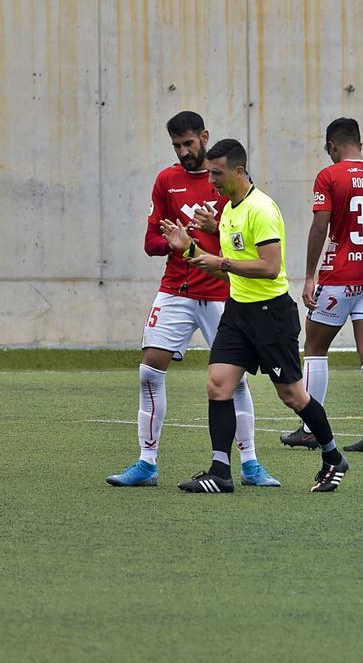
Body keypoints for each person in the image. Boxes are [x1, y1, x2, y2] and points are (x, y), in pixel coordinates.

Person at [160, 138, 349, 493]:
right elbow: (229, 273)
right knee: (218, 385)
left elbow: (269, 267)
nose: (211, 180)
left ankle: (333, 456)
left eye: (217, 173)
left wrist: (220, 259)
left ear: (239, 171)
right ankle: (220, 471)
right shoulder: (229, 209)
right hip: (237, 312)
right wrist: (191, 250)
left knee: (293, 396)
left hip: (270, 315)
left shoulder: (260, 209)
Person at [107, 111, 278, 488]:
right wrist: (172, 240)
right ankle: (146, 463)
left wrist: (212, 229)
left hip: (221, 292)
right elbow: (151, 242)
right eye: (177, 146)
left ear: (204, 137)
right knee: (149, 371)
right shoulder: (167, 181)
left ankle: (250, 463)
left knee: (234, 381)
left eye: (188, 143)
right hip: (176, 291)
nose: (184, 152)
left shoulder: (230, 182)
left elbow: (245, 242)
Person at [280, 118, 363, 453]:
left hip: (339, 277)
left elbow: (320, 225)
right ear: (360, 144)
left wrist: (310, 275)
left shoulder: (329, 176)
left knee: (315, 348)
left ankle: (310, 427)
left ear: (331, 145)